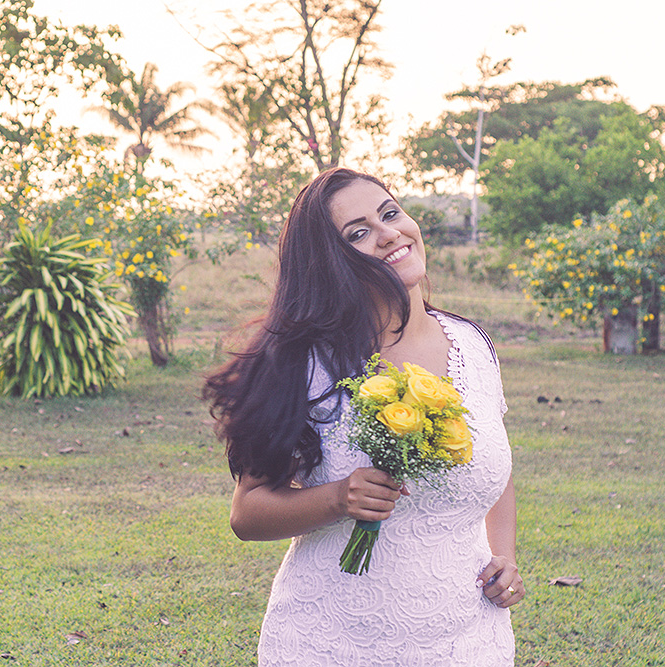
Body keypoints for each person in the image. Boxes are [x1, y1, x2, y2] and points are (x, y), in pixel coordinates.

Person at [204, 167, 523, 666]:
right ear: (329, 262)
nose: (389, 234)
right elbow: (247, 514)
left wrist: (504, 557)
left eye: (390, 214)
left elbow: (493, 471)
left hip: (467, 641)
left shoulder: (473, 345)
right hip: (332, 644)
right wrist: (337, 497)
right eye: (358, 233)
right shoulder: (301, 364)